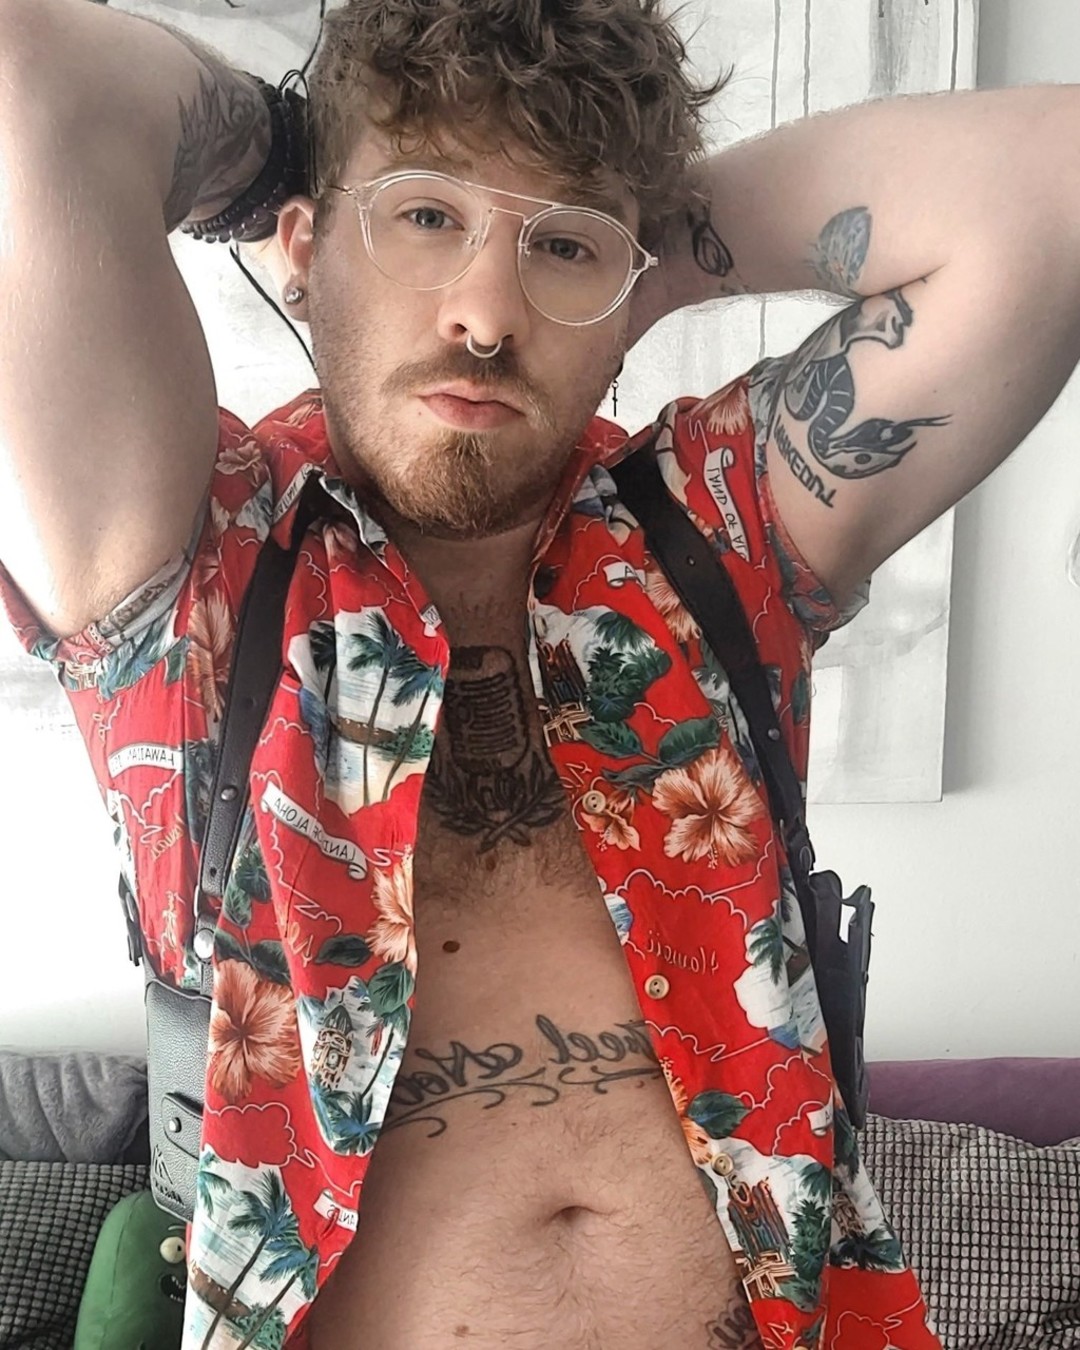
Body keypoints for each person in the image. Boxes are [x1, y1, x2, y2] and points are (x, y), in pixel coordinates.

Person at [1, 0, 1078, 1346]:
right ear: (305, 250)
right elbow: (35, 83)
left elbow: (1056, 183)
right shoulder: (194, 576)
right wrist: (301, 148)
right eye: (423, 216)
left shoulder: (718, 534)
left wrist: (636, 256)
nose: (487, 313)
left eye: (559, 248)